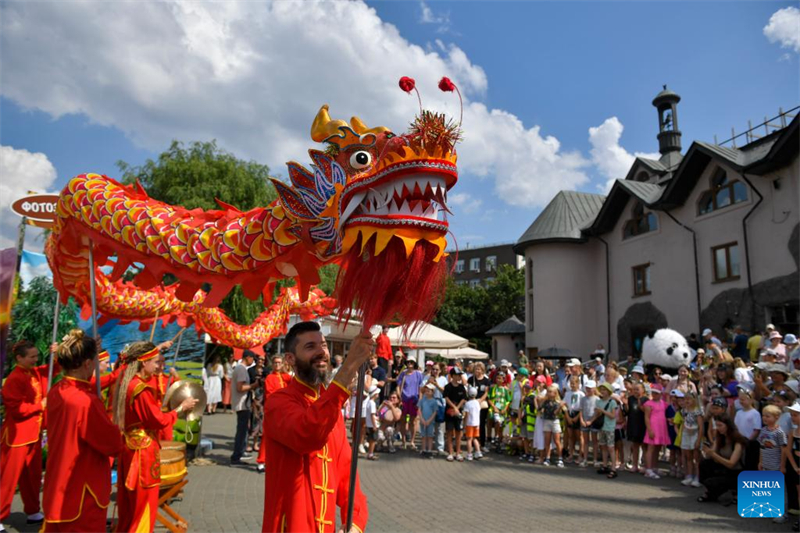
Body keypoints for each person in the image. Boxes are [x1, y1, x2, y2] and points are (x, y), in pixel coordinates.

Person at [261, 321, 372, 533]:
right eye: (310, 347)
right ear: (290, 359)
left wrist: (355, 524)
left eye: (323, 345)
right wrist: (348, 367)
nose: (322, 352)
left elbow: (348, 476)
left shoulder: (333, 410)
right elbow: (308, 435)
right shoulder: (279, 402)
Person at [41, 330, 124, 533]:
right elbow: (112, 445)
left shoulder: (57, 391)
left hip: (58, 483)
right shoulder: (85, 401)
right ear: (87, 364)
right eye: (95, 361)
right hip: (82, 489)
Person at [113, 341, 197, 533]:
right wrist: (180, 409)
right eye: (155, 362)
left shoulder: (128, 383)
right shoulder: (140, 389)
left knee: (130, 504)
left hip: (131, 446)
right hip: (142, 452)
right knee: (144, 504)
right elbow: (157, 420)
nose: (159, 366)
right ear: (144, 363)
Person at [0, 341, 55, 529]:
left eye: (36, 356)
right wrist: (40, 406)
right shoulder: (14, 379)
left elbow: (54, 368)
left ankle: (32, 510)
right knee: (8, 479)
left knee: (32, 476)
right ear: (19, 358)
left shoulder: (34, 373)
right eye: (31, 357)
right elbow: (16, 409)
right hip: (16, 437)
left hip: (33, 434)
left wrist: (55, 352)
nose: (35, 360)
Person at [256, 354, 292, 472]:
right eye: (275, 362)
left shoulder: (287, 377)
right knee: (267, 436)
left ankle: (280, 461)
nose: (277, 365)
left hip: (285, 412)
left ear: (283, 364)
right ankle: (261, 461)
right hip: (273, 411)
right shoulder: (270, 378)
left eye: (279, 363)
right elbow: (270, 395)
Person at [698, 415, 745, 503]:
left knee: (714, 481)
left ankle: (734, 490)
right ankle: (712, 491)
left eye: (720, 426)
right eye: (717, 425)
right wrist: (707, 451)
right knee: (704, 464)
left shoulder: (737, 442)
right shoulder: (720, 438)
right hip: (723, 468)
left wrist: (713, 455)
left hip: (735, 472)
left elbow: (731, 464)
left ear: (728, 426)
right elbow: (712, 455)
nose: (718, 428)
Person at [231, 350, 260, 465]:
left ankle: (240, 452)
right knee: (242, 431)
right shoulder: (242, 369)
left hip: (242, 403)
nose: (253, 361)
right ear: (248, 358)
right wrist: (254, 385)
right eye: (252, 359)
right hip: (242, 403)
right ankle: (236, 456)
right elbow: (240, 387)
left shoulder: (239, 368)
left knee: (243, 429)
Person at [396, 356, 425, 450]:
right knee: (403, 421)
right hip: (404, 400)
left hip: (414, 400)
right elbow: (398, 386)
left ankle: (412, 441)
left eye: (411, 362)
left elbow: (420, 388)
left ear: (414, 363)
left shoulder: (418, 374)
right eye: (408, 362)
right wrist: (399, 397)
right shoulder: (403, 374)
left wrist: (420, 401)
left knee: (413, 421)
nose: (409, 364)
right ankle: (403, 442)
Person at [643, 383, 670, 479]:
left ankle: (654, 467)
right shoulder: (648, 404)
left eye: (657, 393)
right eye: (653, 393)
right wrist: (649, 429)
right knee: (651, 448)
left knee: (657, 448)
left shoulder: (663, 403)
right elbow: (646, 418)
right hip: (653, 427)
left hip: (661, 428)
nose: (654, 395)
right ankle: (648, 469)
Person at [593, 382, 618, 478]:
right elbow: (597, 415)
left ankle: (613, 468)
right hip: (602, 427)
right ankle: (604, 465)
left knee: (611, 448)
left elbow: (612, 416)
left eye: (604, 390)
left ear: (609, 392)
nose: (602, 391)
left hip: (609, 427)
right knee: (603, 446)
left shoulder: (612, 402)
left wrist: (602, 411)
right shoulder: (598, 402)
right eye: (601, 389)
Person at [679, 391, 704, 488]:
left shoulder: (697, 411)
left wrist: (698, 440)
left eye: (689, 399)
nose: (686, 401)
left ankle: (697, 477)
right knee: (688, 457)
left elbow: (701, 427)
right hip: (686, 434)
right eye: (685, 399)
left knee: (696, 458)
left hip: (695, 434)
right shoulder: (684, 411)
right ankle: (689, 476)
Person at [443, 367, 467, 462]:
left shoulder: (462, 387)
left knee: (458, 433)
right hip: (449, 413)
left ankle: (458, 453)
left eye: (460, 375)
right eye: (457, 375)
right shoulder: (448, 387)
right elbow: (446, 397)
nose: (459, 377)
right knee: (449, 432)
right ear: (452, 376)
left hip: (459, 414)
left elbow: (464, 398)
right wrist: (454, 407)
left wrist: (458, 408)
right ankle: (450, 453)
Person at [467, 362, 491, 449]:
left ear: (482, 370)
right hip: (473, 403)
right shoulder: (470, 379)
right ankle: (473, 442)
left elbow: (486, 392)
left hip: (481, 404)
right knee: (473, 423)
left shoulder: (486, 380)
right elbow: (468, 391)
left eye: (479, 369)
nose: (477, 370)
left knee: (481, 423)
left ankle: (482, 443)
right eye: (476, 369)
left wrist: (480, 401)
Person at [579, 380, 600, 467]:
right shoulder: (583, 399)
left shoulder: (597, 399)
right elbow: (581, 410)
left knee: (595, 441)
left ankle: (595, 460)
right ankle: (585, 459)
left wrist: (591, 421)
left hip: (594, 422)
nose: (588, 389)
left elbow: (598, 413)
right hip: (584, 421)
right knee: (586, 441)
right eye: (587, 388)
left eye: (590, 388)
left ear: (594, 389)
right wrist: (582, 420)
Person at [418, 383, 438, 458]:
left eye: (429, 391)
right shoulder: (422, 400)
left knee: (430, 436)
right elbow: (419, 410)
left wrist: (429, 420)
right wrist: (422, 419)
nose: (427, 392)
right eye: (426, 390)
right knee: (423, 436)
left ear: (433, 392)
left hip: (430, 422)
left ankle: (429, 450)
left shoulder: (434, 401)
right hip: (423, 421)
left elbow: (435, 412)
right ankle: (423, 449)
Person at [463, 386, 482, 460]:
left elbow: (466, 415)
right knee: (475, 438)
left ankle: (469, 454)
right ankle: (478, 452)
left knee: (469, 439)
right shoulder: (477, 403)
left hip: (470, 423)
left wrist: (464, 425)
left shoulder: (468, 404)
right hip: (477, 423)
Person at [364, 385, 380, 461]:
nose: (378, 395)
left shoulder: (369, 402)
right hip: (372, 424)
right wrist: (375, 425)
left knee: (371, 439)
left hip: (369, 423)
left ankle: (370, 453)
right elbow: (372, 415)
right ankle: (370, 454)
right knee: (373, 440)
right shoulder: (372, 403)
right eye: (377, 393)